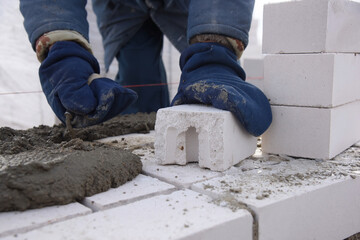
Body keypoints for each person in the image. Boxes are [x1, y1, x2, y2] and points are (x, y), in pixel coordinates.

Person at [19, 0, 272, 137]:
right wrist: (62, 46)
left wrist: (216, 47)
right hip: (121, 5)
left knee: (211, 73)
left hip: (189, 4)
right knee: (137, 77)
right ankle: (150, 138)